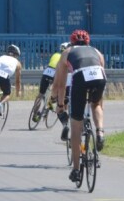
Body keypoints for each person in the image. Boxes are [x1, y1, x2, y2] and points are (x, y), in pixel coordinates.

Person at [53, 29, 107, 183]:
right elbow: (102, 71)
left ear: (72, 42)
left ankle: (76, 170)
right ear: (88, 42)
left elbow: (61, 85)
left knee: (76, 126)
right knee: (95, 104)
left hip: (80, 76)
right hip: (99, 76)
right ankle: (100, 132)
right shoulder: (97, 52)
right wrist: (99, 103)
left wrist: (61, 105)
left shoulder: (67, 53)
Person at [33, 42, 71, 122]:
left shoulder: (55, 54)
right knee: (57, 90)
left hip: (47, 71)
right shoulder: (67, 56)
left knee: (41, 94)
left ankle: (35, 112)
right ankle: (50, 105)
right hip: (56, 72)